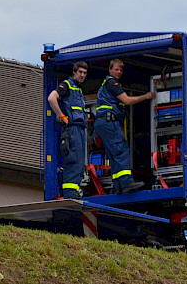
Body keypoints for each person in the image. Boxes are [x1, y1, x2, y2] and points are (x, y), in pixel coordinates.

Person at [93, 58, 155, 193]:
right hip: (110, 122)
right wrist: (146, 96)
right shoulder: (112, 82)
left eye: (121, 70)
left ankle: (118, 185)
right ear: (110, 70)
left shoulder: (106, 85)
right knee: (121, 151)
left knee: (114, 155)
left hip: (103, 123)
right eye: (116, 69)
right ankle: (126, 182)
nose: (119, 72)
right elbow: (126, 100)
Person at [48, 61, 90, 199]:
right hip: (72, 130)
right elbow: (51, 98)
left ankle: (74, 192)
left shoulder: (78, 89)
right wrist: (61, 115)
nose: (82, 75)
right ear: (74, 72)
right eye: (80, 72)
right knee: (73, 160)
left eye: (84, 73)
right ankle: (70, 193)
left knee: (79, 163)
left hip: (79, 129)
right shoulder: (67, 85)